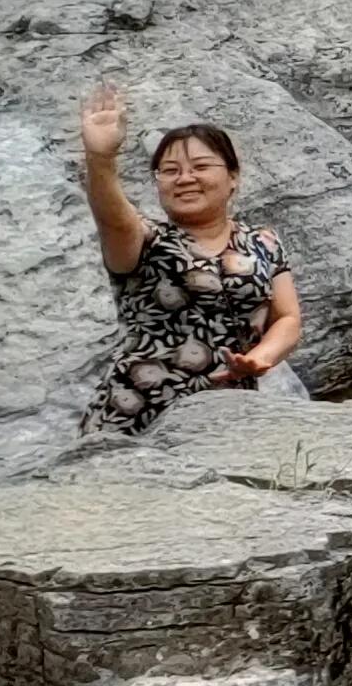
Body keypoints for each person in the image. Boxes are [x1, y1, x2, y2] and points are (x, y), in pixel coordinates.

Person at [74, 82, 299, 437]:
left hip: (228, 416)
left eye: (200, 166)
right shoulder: (146, 240)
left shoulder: (264, 243)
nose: (185, 178)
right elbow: (112, 215)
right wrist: (101, 159)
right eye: (170, 170)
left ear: (233, 177)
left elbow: (287, 317)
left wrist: (262, 357)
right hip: (136, 416)